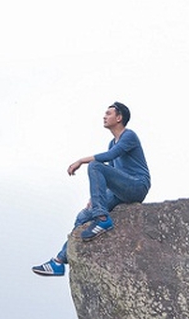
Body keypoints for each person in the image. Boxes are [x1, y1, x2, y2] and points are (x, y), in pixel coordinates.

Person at [32, 101, 151, 277]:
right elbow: (112, 171)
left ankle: (102, 219)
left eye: (109, 113)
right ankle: (58, 262)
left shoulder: (129, 136)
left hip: (136, 185)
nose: (104, 116)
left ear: (119, 118)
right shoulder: (112, 142)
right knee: (83, 216)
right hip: (120, 190)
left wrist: (81, 160)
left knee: (94, 165)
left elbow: (108, 159)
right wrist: (95, 199)